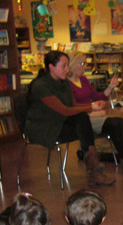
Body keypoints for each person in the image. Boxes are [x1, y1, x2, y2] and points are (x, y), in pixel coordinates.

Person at [26, 50, 114, 186]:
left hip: (60, 121)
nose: (67, 70)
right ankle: (94, 168)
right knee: (84, 124)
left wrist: (90, 106)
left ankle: (93, 166)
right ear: (51, 67)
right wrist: (91, 107)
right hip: (45, 127)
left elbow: (74, 106)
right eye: (64, 66)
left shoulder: (64, 83)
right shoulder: (40, 86)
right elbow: (64, 110)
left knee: (82, 119)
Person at [66, 51, 123, 176]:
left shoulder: (83, 80)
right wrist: (92, 110)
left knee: (121, 122)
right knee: (115, 124)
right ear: (73, 65)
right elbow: (72, 107)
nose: (85, 67)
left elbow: (98, 96)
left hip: (94, 116)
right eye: (82, 63)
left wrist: (110, 87)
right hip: (83, 120)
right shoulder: (67, 85)